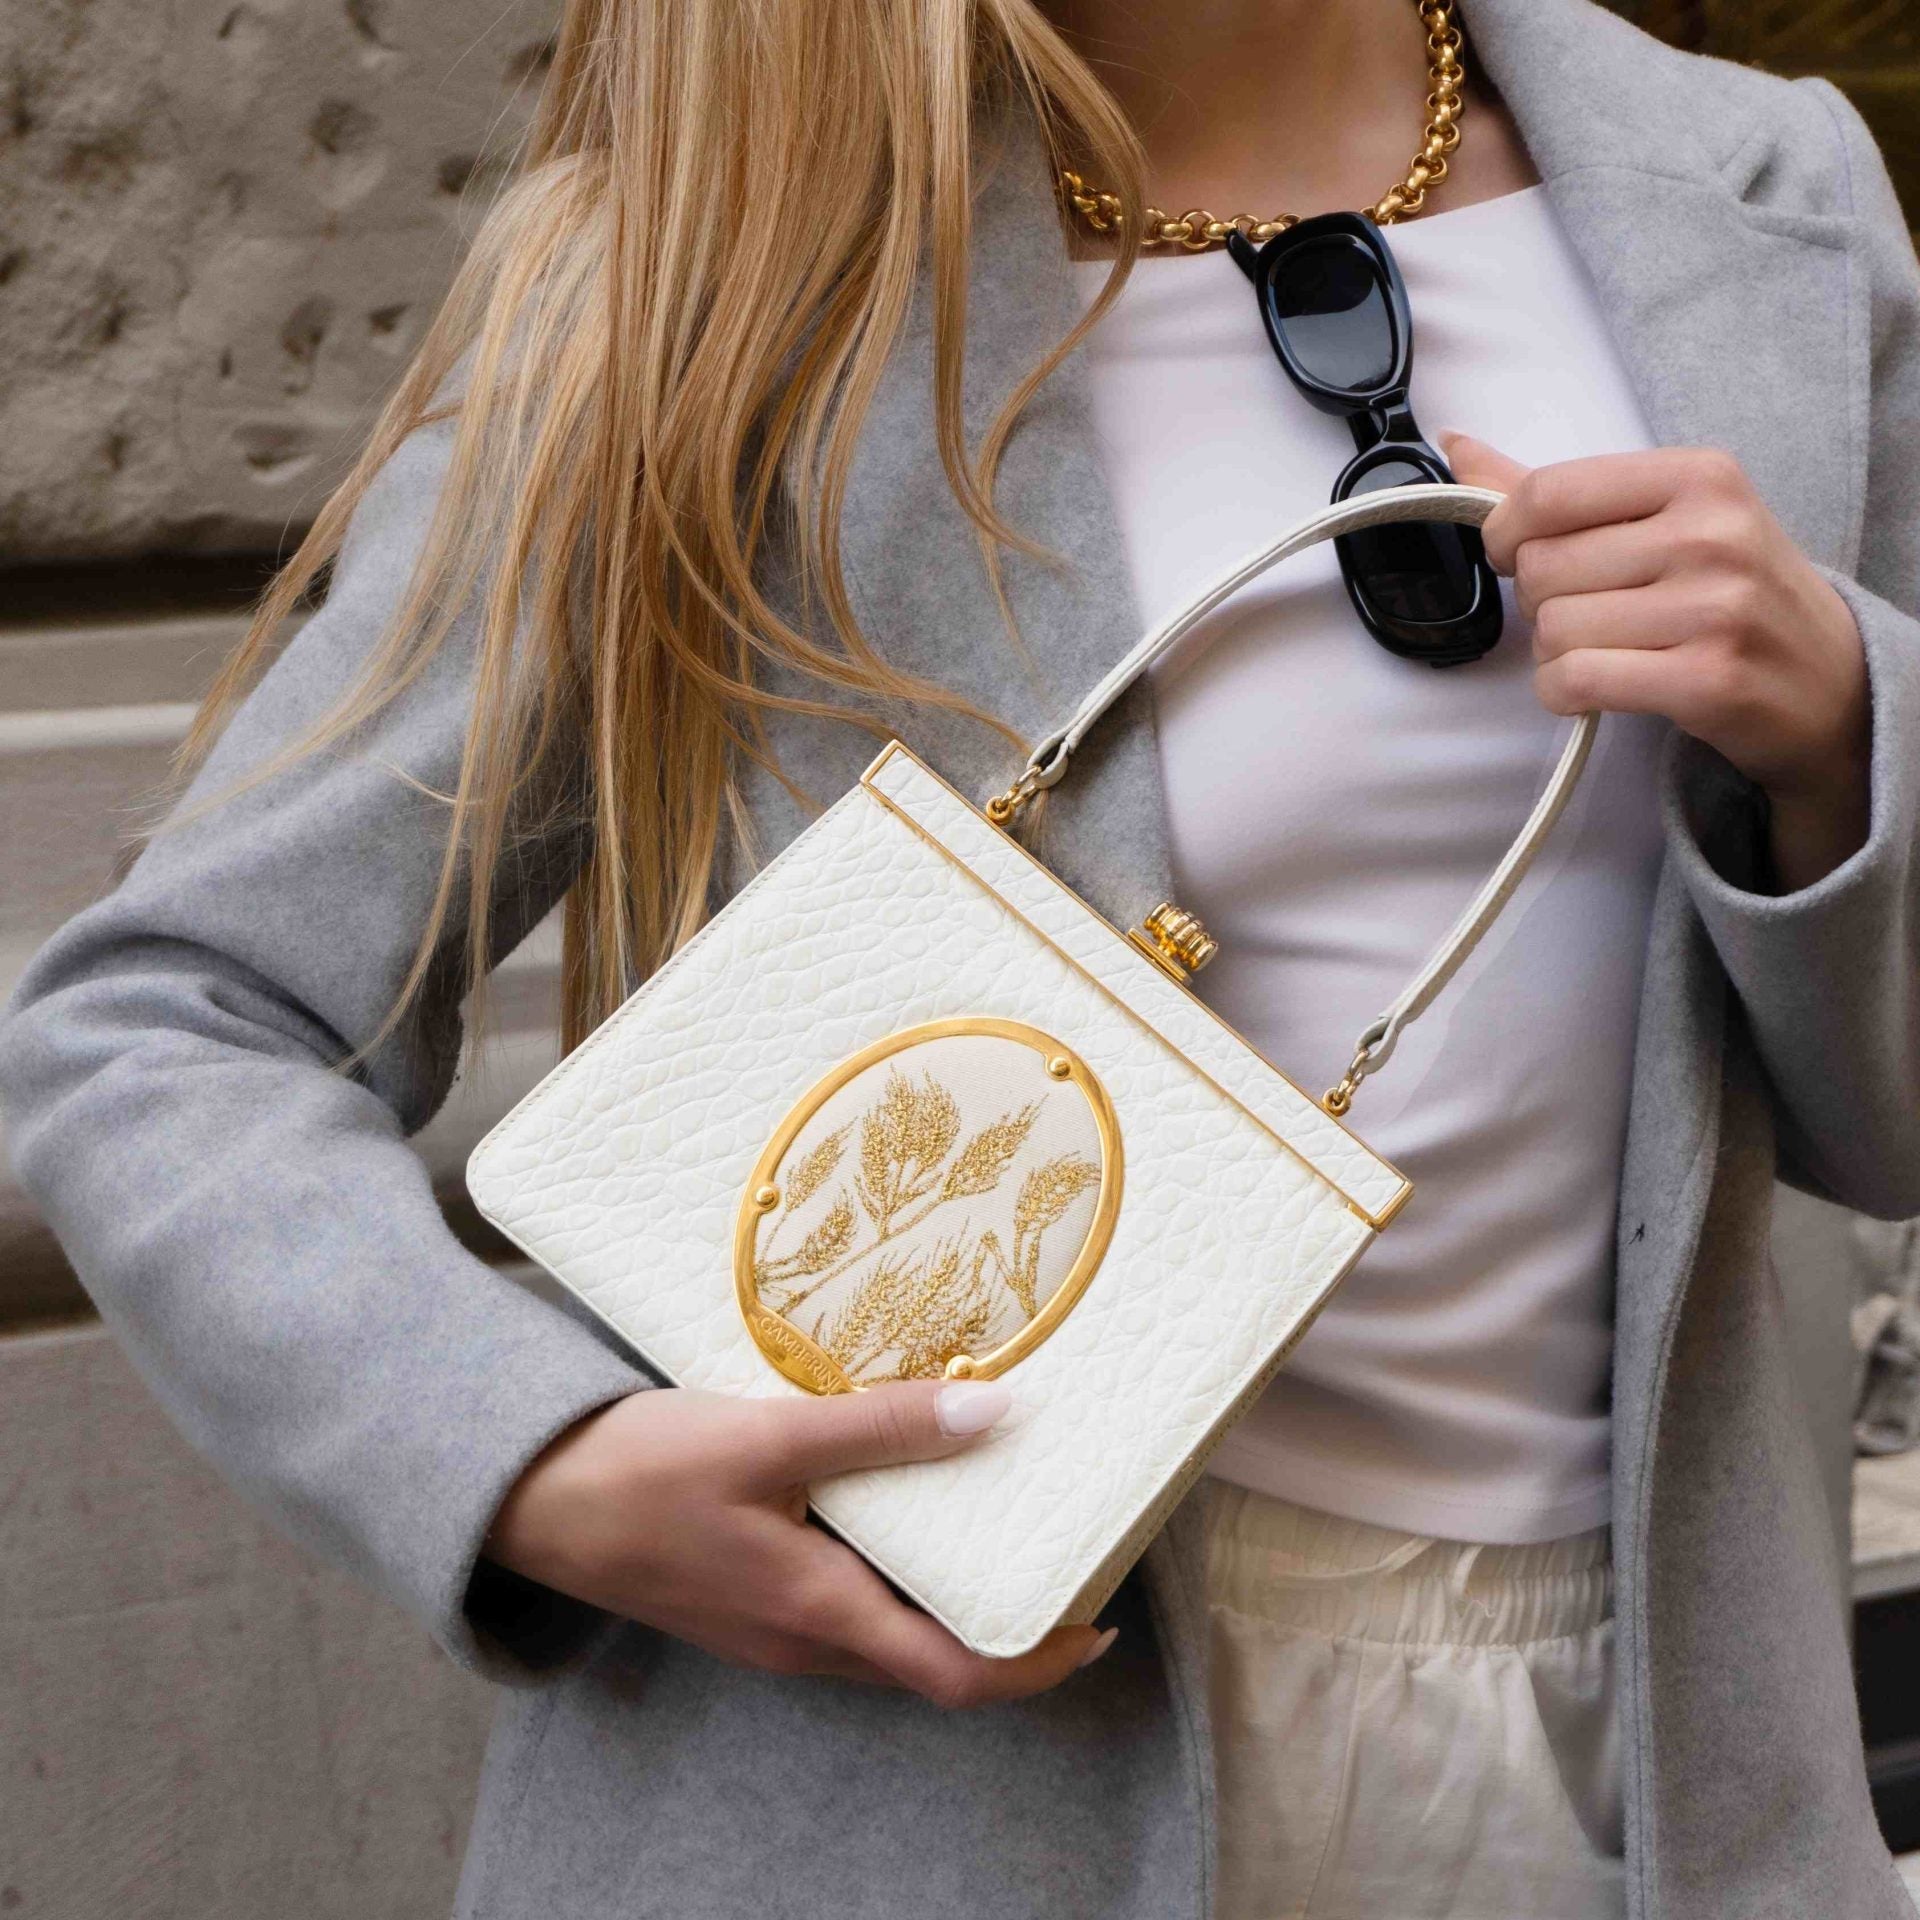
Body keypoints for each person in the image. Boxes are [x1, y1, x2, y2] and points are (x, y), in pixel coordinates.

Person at [3, 0, 1916, 1913]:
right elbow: (164, 1027)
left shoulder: (1765, 202)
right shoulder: (717, 266)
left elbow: (1886, 1127)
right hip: (933, 1790)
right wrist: (532, 1462)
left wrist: (1844, 734)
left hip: (1662, 1773)